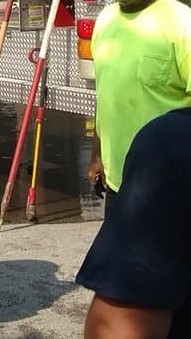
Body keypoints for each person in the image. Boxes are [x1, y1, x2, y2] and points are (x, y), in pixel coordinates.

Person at [87, 0, 191, 207]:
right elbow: (104, 96)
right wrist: (97, 156)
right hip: (118, 181)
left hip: (170, 183)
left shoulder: (181, 23)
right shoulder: (105, 20)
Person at [78, 106, 191, 337]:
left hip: (157, 173)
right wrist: (96, 154)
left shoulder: (174, 141)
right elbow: (103, 100)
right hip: (136, 177)